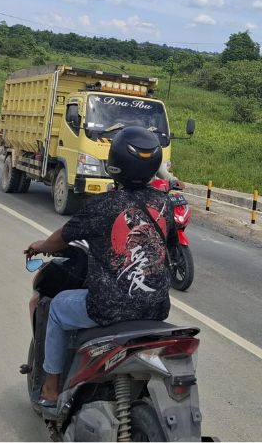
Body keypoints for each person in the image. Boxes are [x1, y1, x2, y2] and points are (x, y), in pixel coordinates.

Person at [24, 126, 176, 407]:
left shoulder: (104, 204)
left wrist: (41, 246)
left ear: (113, 163)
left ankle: (50, 389)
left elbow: (61, 238)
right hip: (157, 308)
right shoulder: (163, 203)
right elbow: (168, 242)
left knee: (56, 308)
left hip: (109, 308)